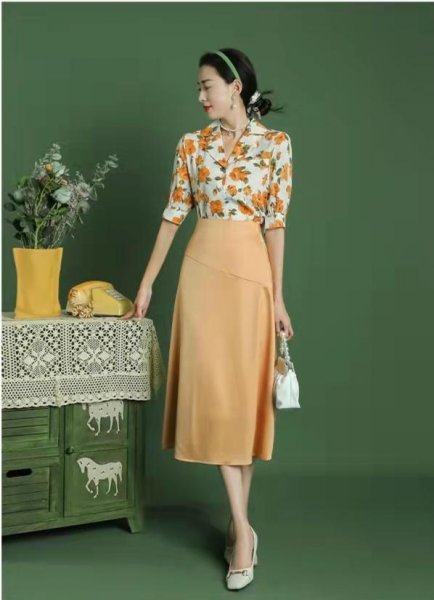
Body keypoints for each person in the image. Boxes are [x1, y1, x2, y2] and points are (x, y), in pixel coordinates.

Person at [121, 47, 294, 590]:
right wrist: (147, 283)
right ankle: (242, 531)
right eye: (198, 88)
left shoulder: (276, 145)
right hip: (201, 277)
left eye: (206, 86)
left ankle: (241, 529)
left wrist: (279, 298)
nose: (200, 96)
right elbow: (173, 216)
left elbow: (275, 224)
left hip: (251, 281)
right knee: (217, 397)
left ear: (235, 87)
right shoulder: (191, 145)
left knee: (242, 404)